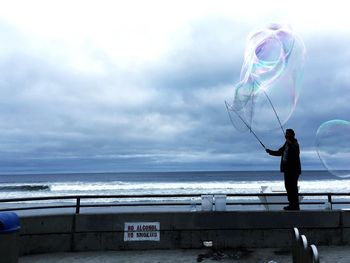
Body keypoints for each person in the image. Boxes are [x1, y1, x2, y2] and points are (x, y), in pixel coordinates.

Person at [266, 128, 301, 211]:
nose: (286, 135)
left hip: (294, 170)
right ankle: (291, 204)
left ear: (292, 135)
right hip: (287, 170)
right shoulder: (286, 144)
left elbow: (296, 152)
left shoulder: (295, 143)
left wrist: (291, 144)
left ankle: (295, 206)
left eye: (288, 134)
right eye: (286, 134)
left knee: (293, 187)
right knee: (288, 187)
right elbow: (279, 152)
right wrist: (270, 151)